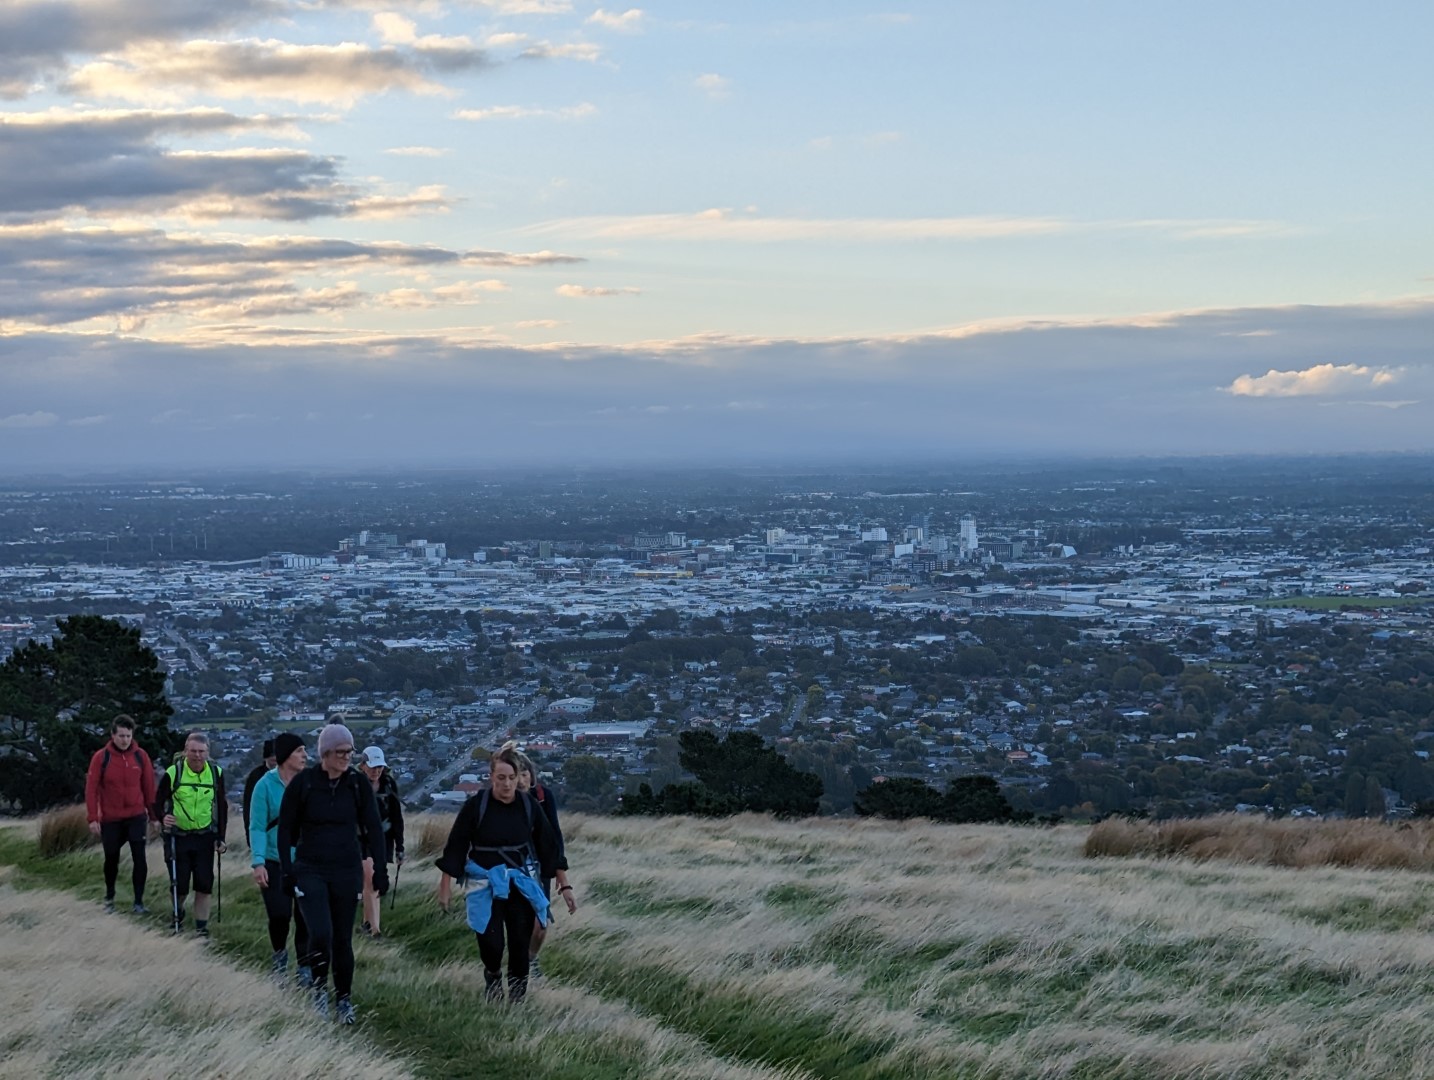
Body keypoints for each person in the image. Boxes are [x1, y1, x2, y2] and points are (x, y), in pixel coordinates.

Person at [436, 745, 576, 1004]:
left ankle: (517, 1001)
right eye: (501, 778)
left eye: (512, 778)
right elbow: (456, 846)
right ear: (491, 778)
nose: (507, 784)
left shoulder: (529, 805)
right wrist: (445, 886)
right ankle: (492, 976)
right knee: (491, 944)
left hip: (519, 883)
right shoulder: (476, 806)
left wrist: (564, 886)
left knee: (520, 945)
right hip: (484, 883)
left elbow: (549, 846)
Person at [278, 723, 386, 1025]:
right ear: (324, 753)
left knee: (342, 939)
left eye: (350, 752)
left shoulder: (357, 784)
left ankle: (344, 998)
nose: (346, 757)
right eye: (340, 752)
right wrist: (287, 871)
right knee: (321, 933)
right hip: (311, 867)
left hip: (346, 868)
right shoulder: (305, 784)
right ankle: (318, 990)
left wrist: (380, 871)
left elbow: (373, 828)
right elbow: (285, 828)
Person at [249, 733, 310, 985]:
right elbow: (257, 826)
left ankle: (305, 966)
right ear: (285, 756)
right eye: (299, 751)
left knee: (305, 916)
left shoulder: (309, 782)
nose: (305, 756)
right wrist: (259, 862)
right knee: (279, 914)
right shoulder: (264, 785)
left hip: (306, 861)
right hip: (275, 860)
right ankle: (280, 957)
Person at [154, 731, 227, 937]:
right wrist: (163, 818)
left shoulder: (216, 774)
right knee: (181, 883)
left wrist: (221, 837)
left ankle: (201, 929)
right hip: (178, 837)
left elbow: (221, 806)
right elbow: (157, 802)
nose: (197, 755)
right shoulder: (174, 772)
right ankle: (178, 914)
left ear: (208, 753)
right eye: (193, 751)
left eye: (201, 751)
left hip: (204, 837)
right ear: (185, 751)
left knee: (204, 884)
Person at [84, 715, 157, 915]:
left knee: (139, 858)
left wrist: (154, 816)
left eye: (128, 736)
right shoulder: (101, 757)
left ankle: (139, 902)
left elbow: (149, 788)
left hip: (135, 815)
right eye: (121, 736)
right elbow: (91, 789)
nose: (125, 740)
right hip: (111, 818)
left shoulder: (140, 756)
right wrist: (92, 818)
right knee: (111, 858)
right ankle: (109, 897)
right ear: (113, 735)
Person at [510, 744, 569, 981]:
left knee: (541, 921)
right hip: (512, 867)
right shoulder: (502, 802)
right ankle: (518, 969)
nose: (523, 780)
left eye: (526, 774)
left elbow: (555, 836)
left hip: (540, 867)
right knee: (516, 920)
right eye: (518, 775)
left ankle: (531, 959)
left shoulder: (544, 797)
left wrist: (561, 874)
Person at [358, 746, 404, 940]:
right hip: (361, 839)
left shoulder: (389, 785)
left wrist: (400, 847)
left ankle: (366, 924)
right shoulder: (356, 785)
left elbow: (396, 816)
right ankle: (375, 931)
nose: (376, 771)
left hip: (384, 839)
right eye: (372, 766)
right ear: (363, 766)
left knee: (373, 883)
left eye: (379, 767)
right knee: (370, 878)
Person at [242, 739, 277, 850]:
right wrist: (250, 836)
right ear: (265, 757)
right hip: (262, 830)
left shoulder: (289, 775)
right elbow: (248, 807)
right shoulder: (255, 776)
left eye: (277, 755)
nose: (275, 758)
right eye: (271, 755)